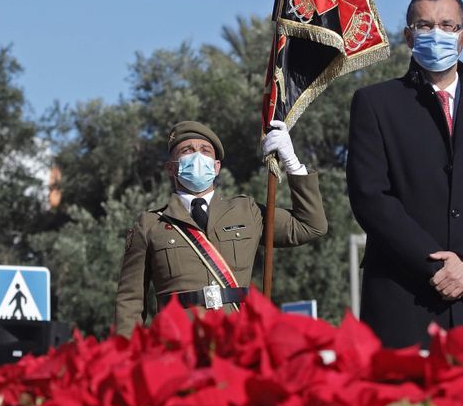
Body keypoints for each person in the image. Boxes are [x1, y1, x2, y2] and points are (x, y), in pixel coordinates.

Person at [346, 0, 463, 348]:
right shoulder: (375, 103)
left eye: (447, 25)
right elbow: (370, 196)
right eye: (424, 25)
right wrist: (433, 266)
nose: (436, 34)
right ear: (408, 36)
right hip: (402, 294)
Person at [115, 120, 326, 336]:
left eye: (205, 150)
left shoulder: (247, 211)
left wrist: (292, 163)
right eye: (187, 150)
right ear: (171, 167)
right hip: (178, 343)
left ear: (216, 167)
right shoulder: (151, 224)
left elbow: (310, 226)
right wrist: (126, 357)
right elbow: (130, 300)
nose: (197, 156)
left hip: (237, 339)